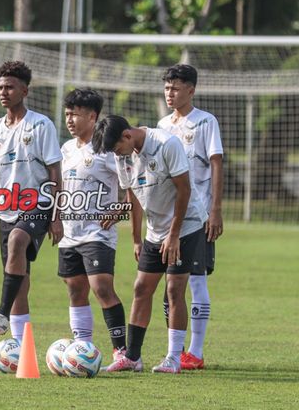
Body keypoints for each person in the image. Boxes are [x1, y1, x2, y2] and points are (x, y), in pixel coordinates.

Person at [93, 115, 208, 374]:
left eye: (116, 148)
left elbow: (184, 189)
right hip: (155, 231)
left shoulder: (167, 144)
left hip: (186, 225)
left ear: (127, 135)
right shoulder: (122, 155)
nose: (117, 155)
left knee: (174, 289)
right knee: (141, 288)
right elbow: (132, 196)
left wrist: (175, 234)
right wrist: (136, 238)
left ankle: (174, 358)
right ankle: (132, 357)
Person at [0, 61, 64, 341]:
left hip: (37, 203)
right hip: (5, 209)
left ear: (24, 90)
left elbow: (54, 171)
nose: (3, 92)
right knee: (20, 281)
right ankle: (18, 347)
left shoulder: (40, 125)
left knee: (17, 241)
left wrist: (56, 215)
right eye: (0, 87)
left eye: (10, 87)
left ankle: (1, 314)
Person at [157, 64, 224, 370]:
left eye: (176, 88)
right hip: (168, 220)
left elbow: (216, 165)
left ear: (191, 90)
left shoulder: (205, 122)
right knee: (172, 284)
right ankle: (176, 348)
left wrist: (215, 210)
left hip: (198, 217)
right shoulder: (162, 125)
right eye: (167, 88)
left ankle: (195, 352)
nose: (170, 93)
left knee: (196, 281)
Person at [58, 89, 127, 361]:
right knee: (75, 289)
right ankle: (82, 348)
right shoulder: (65, 149)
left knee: (101, 288)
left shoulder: (106, 149)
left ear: (92, 116)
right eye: (67, 114)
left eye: (75, 114)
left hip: (98, 232)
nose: (70, 120)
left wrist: (121, 208)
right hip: (69, 233)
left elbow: (131, 181)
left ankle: (122, 352)